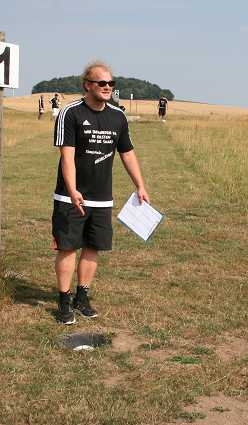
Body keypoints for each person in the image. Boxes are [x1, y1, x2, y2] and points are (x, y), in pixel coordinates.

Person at [51, 61, 150, 324]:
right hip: (70, 197)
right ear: (87, 85)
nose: (107, 87)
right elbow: (67, 157)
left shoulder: (118, 116)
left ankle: (81, 298)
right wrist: (72, 190)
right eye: (102, 83)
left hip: (102, 198)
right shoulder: (70, 113)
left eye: (111, 83)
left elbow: (127, 153)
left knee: (93, 247)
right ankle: (64, 301)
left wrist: (140, 185)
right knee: (68, 248)